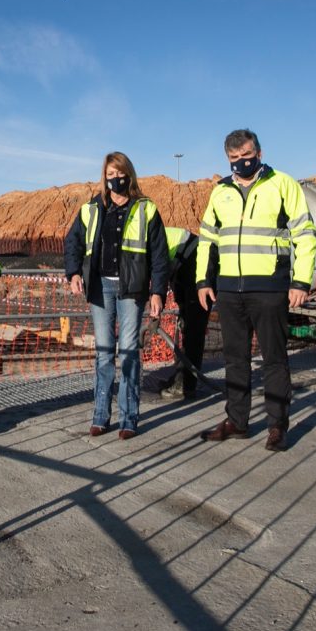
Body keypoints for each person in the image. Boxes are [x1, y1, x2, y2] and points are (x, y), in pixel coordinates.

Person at [196, 129, 316, 452]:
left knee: (274, 360)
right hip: (229, 290)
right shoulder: (220, 192)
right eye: (235, 158)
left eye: (247, 155)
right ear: (228, 159)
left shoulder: (282, 184)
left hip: (269, 289)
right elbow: (207, 240)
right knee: (235, 359)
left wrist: (300, 281)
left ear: (260, 153)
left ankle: (277, 426)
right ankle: (237, 421)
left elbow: (305, 235)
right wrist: (203, 282)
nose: (242, 162)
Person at [64, 152, 169, 440]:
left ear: (129, 174)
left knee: (129, 353)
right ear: (104, 176)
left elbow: (159, 255)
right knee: (104, 353)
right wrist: (73, 273)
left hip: (131, 291)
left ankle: (128, 418)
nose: (115, 179)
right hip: (100, 289)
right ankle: (100, 416)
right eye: (110, 173)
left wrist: (158, 291)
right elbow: (72, 242)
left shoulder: (146, 209)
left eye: (119, 173)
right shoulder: (92, 208)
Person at [158, 226, 213, 401]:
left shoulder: (141, 239)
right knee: (186, 326)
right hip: (184, 263)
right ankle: (181, 378)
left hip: (195, 260)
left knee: (193, 329)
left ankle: (186, 385)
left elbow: (156, 272)